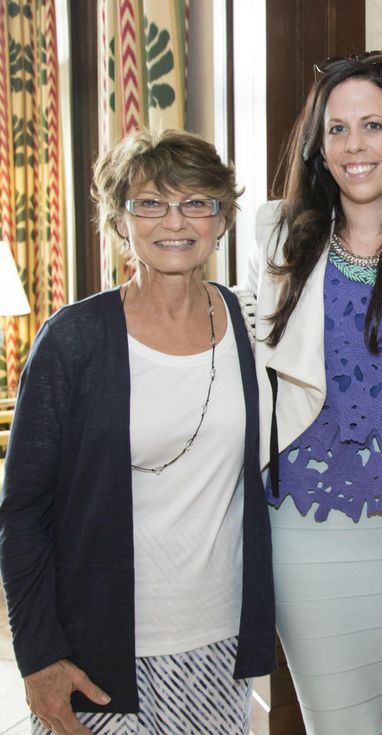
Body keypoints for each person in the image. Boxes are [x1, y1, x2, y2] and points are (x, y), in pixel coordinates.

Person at [0, 128, 276, 735]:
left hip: (221, 638)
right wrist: (40, 655)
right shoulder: (72, 340)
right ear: (120, 220)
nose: (174, 220)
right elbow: (22, 513)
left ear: (222, 217)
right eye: (150, 203)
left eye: (196, 201)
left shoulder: (246, 322)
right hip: (101, 646)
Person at [246, 52, 382, 735]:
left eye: (373, 125)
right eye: (337, 129)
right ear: (319, 145)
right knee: (338, 720)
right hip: (307, 528)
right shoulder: (275, 242)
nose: (355, 145)